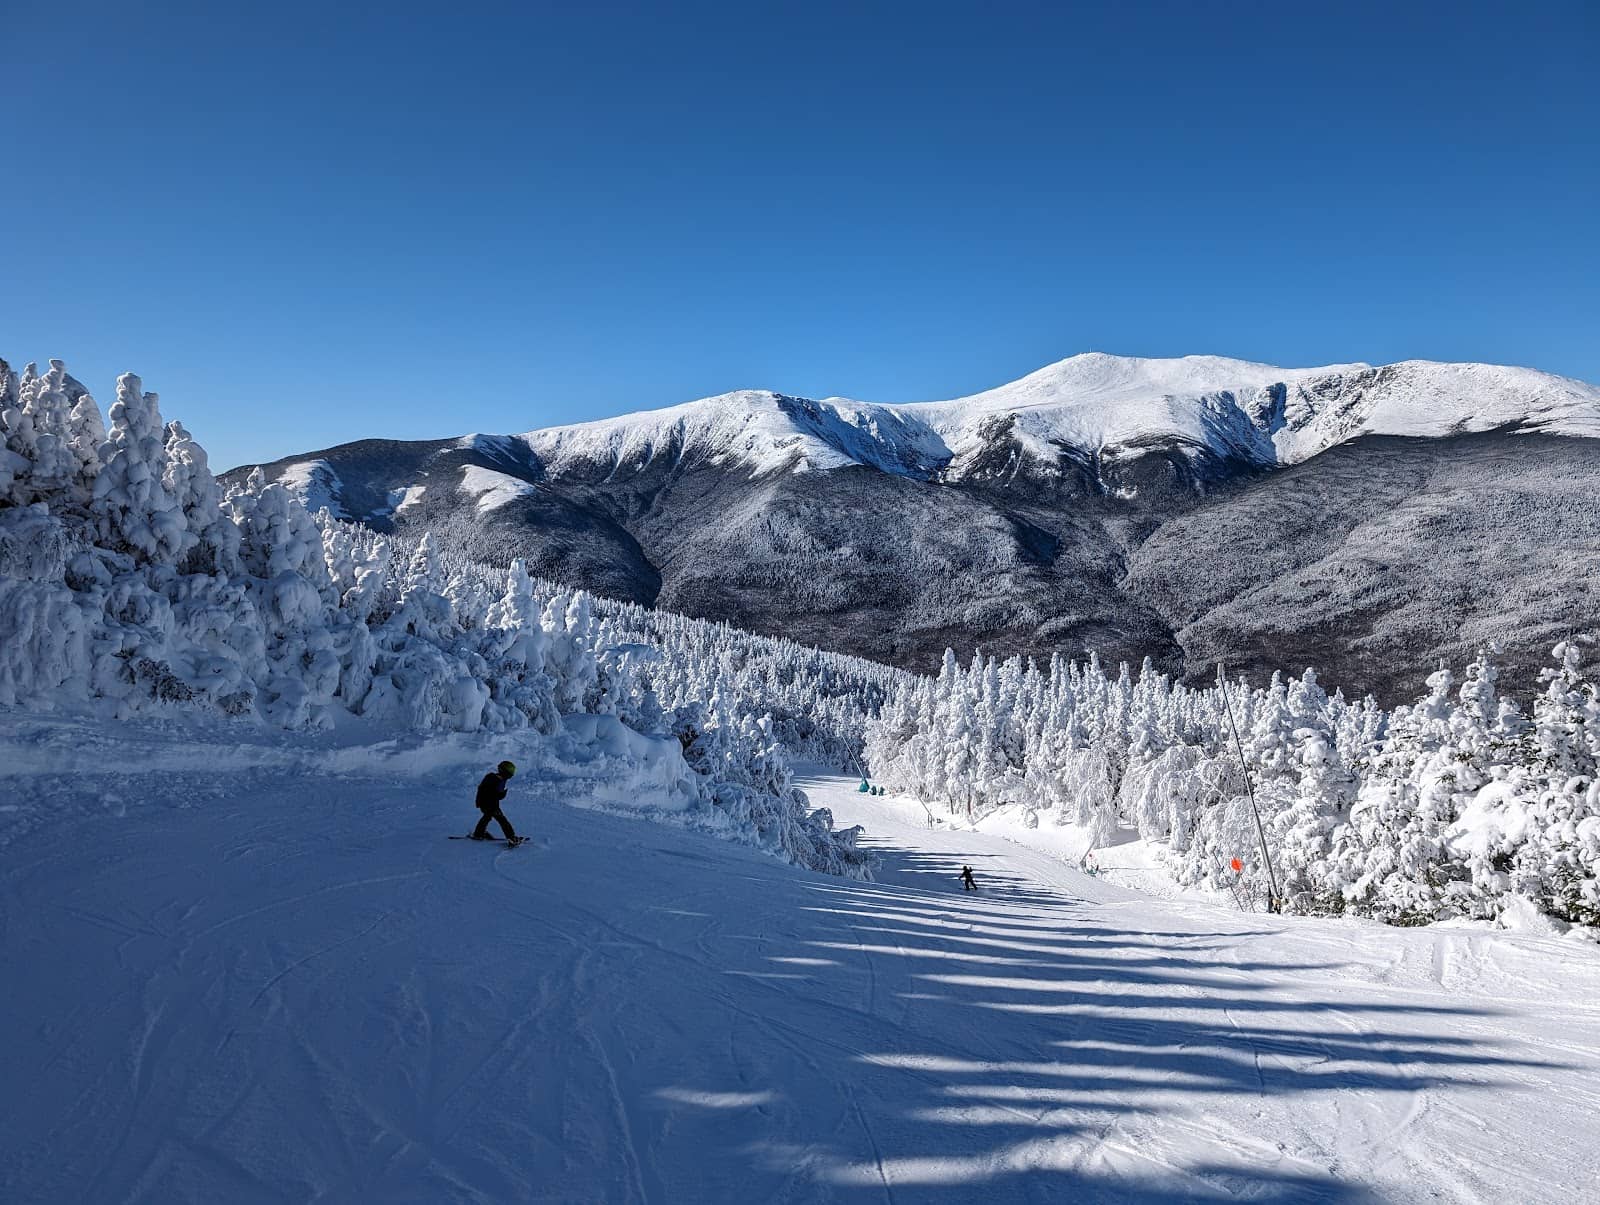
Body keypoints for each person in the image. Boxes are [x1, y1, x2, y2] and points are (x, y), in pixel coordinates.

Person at [472, 761, 520, 842]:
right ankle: (512, 838)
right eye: (510, 773)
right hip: (490, 805)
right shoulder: (496, 780)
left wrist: (479, 802)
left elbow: (483, 790)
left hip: (486, 803)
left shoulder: (494, 777)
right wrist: (502, 794)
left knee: (487, 817)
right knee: (502, 820)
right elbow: (490, 793)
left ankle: (478, 833)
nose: (511, 776)